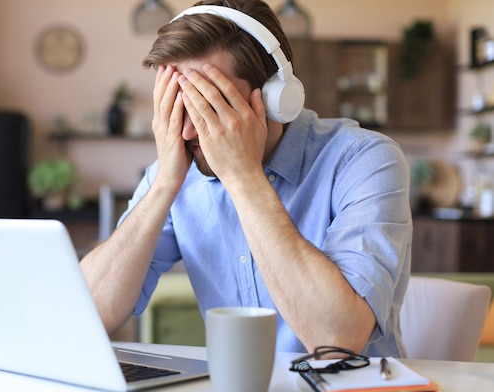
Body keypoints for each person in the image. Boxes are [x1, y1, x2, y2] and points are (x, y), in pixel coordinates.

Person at [81, 0, 411, 357]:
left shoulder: (364, 160)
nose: (189, 130)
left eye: (212, 105)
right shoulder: (175, 169)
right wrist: (164, 184)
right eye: (177, 105)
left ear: (276, 98)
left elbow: (337, 340)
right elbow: (87, 314)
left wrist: (243, 178)